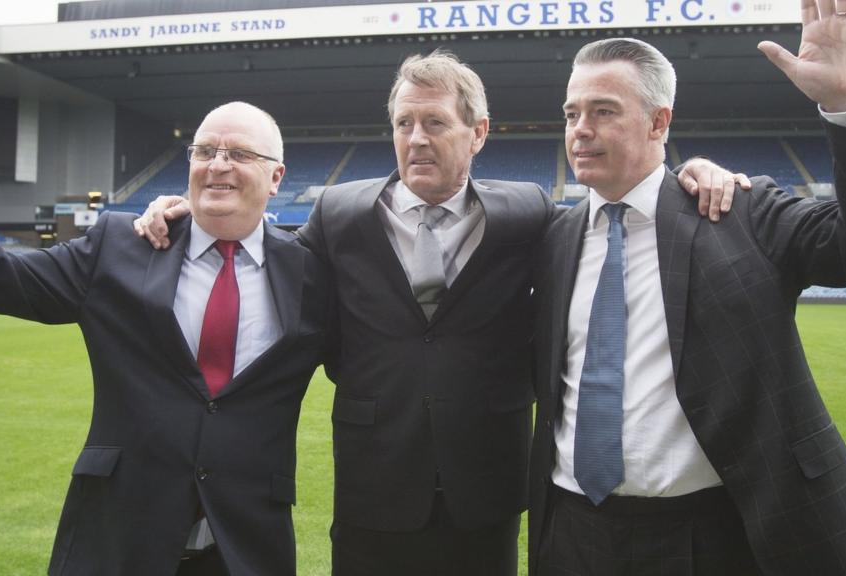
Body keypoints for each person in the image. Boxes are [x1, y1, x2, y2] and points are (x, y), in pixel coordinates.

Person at [135, 50, 748, 575]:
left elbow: (623, 204)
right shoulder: (340, 213)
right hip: (373, 483)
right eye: (404, 123)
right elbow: (269, 262)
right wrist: (192, 212)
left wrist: (691, 172)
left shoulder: (526, 213)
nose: (416, 138)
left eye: (434, 122)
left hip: (485, 486)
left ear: (478, 133)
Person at [528, 1, 846, 574]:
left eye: (603, 111)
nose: (580, 130)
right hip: (571, 532)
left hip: (709, 534)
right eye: (571, 113)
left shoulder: (738, 210)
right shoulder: (550, 237)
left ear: (659, 122)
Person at [0, 99, 330, 576]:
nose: (218, 164)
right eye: (204, 151)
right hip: (117, 542)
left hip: (244, 549)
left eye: (240, 154)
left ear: (277, 178)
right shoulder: (121, 245)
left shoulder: (310, 274)